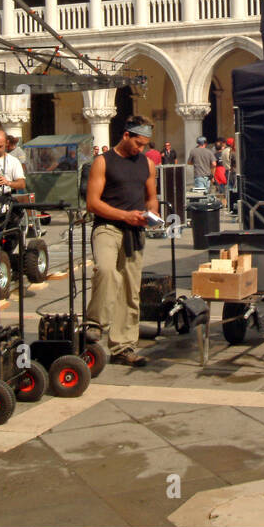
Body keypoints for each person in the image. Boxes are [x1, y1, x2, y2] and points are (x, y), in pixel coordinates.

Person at [86, 117, 159, 368]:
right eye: (138, 143)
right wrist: (125, 215)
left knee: (130, 289)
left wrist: (151, 214)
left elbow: (151, 197)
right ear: (126, 135)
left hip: (134, 232)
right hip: (107, 227)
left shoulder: (148, 164)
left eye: (145, 145)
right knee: (106, 271)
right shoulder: (103, 162)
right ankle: (95, 323)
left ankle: (123, 347)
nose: (141, 149)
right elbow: (93, 203)